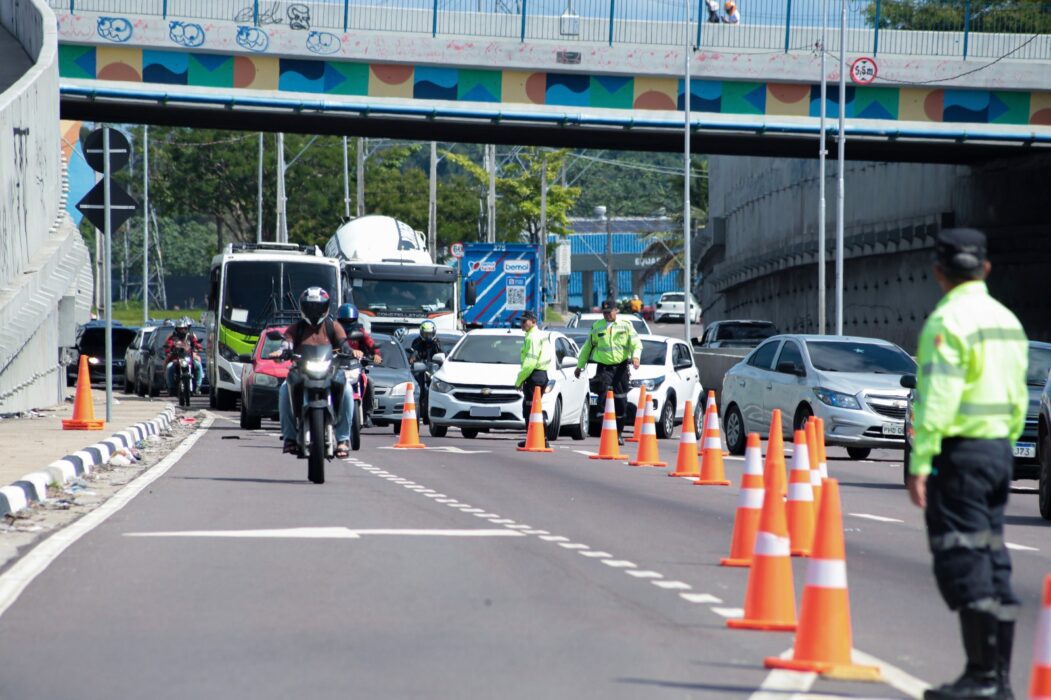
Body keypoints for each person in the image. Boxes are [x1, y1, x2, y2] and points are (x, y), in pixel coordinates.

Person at [907, 229, 1028, 700]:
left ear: (939, 273)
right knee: (992, 558)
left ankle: (981, 677)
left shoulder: (946, 321)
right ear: (986, 270)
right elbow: (1019, 396)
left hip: (960, 455)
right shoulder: (1007, 322)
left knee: (963, 558)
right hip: (998, 452)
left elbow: (938, 398)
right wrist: (1004, 445)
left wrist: (921, 460)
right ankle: (996, 679)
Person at [272, 287, 354, 458]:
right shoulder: (296, 328)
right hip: (301, 371)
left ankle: (343, 439)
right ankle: (289, 438)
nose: (314, 311)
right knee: (283, 390)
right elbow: (286, 342)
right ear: (303, 308)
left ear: (325, 308)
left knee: (347, 391)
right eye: (310, 307)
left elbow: (344, 343)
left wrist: (348, 350)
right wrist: (282, 351)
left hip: (329, 371)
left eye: (318, 307)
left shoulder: (333, 326)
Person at [574, 299, 642, 445]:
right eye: (604, 313)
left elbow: (636, 343)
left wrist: (636, 357)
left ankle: (618, 433)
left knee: (621, 402)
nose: (606, 315)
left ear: (615, 310)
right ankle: (601, 413)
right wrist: (579, 366)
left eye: (609, 312)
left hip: (621, 368)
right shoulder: (597, 327)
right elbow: (587, 348)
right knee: (603, 390)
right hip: (604, 367)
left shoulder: (625, 326)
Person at [515, 310, 554, 448]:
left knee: (529, 408)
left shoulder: (532, 337)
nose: (522, 324)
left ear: (533, 322)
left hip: (534, 375)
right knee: (535, 407)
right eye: (521, 321)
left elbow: (530, 362)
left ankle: (534, 437)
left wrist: (519, 380)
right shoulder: (540, 335)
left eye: (524, 321)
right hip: (542, 375)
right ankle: (540, 438)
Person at [337, 303, 381, 426]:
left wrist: (376, 354)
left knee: (369, 382)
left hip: (355, 366)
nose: (347, 322)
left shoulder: (360, 331)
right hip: (336, 366)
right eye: (344, 320)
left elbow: (370, 343)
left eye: (350, 320)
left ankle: (367, 415)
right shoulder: (334, 330)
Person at [163, 317, 204, 395]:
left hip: (189, 358)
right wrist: (169, 350)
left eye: (184, 328)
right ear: (176, 329)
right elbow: (169, 345)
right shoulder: (173, 337)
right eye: (180, 329)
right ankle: (171, 388)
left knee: (198, 365)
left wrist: (198, 347)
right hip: (176, 359)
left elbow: (195, 343)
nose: (182, 330)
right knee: (169, 367)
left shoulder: (190, 336)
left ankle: (198, 386)